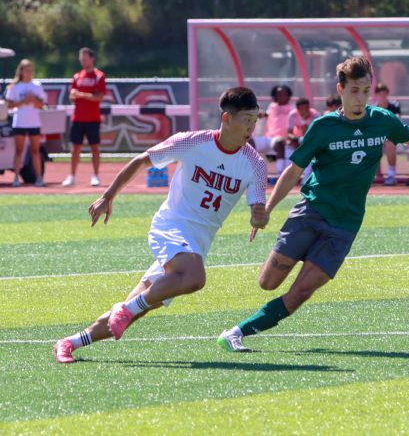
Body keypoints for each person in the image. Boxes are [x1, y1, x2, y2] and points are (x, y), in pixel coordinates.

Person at [217, 57, 409, 352]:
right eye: (354, 90)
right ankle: (298, 254)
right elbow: (293, 171)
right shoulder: (324, 127)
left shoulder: (382, 121)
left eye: (365, 90)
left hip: (345, 225)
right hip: (310, 212)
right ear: (341, 89)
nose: (360, 97)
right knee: (268, 282)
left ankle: (236, 333)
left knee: (301, 292)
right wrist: (267, 210)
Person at [53, 87, 268, 363]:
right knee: (195, 278)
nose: (251, 127)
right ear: (226, 119)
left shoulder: (255, 164)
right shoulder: (193, 142)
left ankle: (70, 342)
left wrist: (259, 218)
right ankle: (127, 309)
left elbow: (258, 209)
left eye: (255, 120)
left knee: (135, 309)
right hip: (171, 228)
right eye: (246, 120)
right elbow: (143, 160)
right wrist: (108, 196)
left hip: (196, 245)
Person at [62, 47, 107, 187]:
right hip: (78, 118)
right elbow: (72, 96)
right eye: (81, 59)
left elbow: (99, 97)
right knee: (75, 148)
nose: (83, 61)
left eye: (85, 58)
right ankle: (72, 176)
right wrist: (76, 95)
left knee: (94, 147)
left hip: (93, 118)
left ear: (92, 59)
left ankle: (96, 175)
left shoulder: (99, 76)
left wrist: (81, 94)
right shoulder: (76, 76)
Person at [5, 59, 47, 187]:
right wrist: (23, 101)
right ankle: (16, 177)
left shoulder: (36, 85)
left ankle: (39, 178)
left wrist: (33, 100)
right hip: (20, 122)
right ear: (21, 71)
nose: (29, 72)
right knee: (19, 150)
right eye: (26, 70)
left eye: (30, 70)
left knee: (35, 150)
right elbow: (9, 105)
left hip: (34, 122)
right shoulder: (14, 87)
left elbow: (42, 105)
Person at [248, 85, 293, 180]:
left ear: (289, 96)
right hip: (268, 139)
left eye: (283, 94)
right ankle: (251, 171)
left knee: (279, 141)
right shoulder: (272, 106)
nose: (281, 96)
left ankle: (280, 174)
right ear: (274, 96)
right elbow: (265, 114)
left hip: (281, 140)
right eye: (278, 94)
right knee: (249, 142)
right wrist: (259, 115)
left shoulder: (292, 108)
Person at [373, 83, 402, 186]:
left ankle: (391, 175)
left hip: (394, 136)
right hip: (379, 137)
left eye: (384, 93)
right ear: (376, 95)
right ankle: (370, 175)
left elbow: (396, 122)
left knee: (390, 143)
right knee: (370, 145)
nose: (382, 95)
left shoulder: (394, 106)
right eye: (380, 93)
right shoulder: (374, 110)